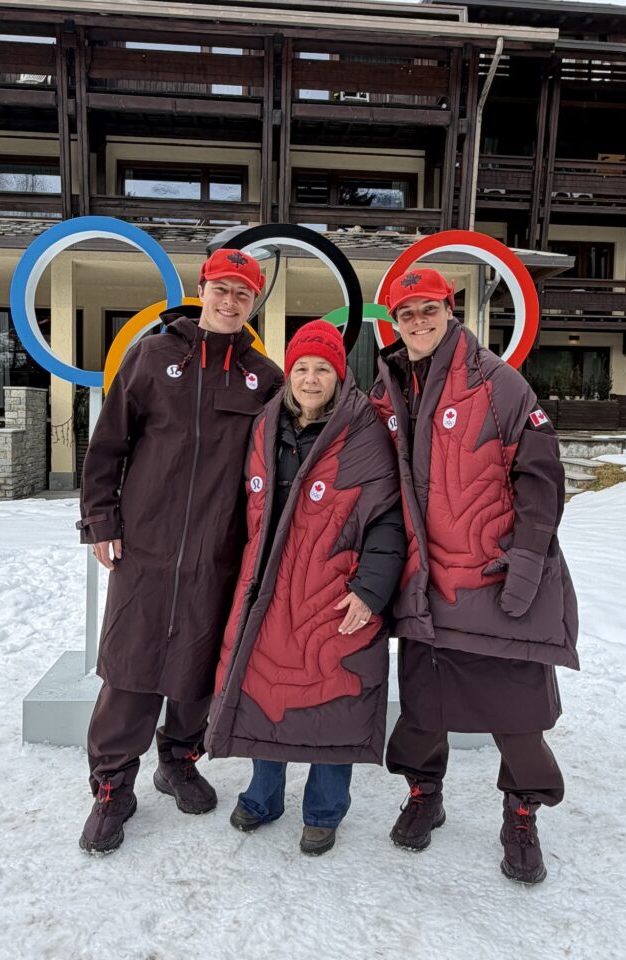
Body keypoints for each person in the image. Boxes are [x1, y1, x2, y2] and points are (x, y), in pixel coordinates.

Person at [369, 267, 579, 884]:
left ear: (450, 309)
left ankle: (521, 812)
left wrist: (528, 562)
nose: (417, 321)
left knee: (516, 715)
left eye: (427, 309)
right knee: (423, 709)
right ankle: (424, 794)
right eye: (406, 313)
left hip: (491, 576)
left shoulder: (499, 383)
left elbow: (542, 478)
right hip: (425, 582)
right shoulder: (388, 387)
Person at [76, 247, 283, 854]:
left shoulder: (263, 377)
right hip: (146, 544)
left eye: (243, 294)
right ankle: (113, 787)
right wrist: (100, 519)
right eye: (223, 289)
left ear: (253, 305)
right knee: (130, 667)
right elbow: (109, 443)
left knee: (198, 666)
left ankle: (179, 760)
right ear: (204, 288)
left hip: (220, 551)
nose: (230, 301)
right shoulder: (153, 354)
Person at [206, 320, 406, 856]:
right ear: (289, 373)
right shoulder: (266, 425)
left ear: (339, 375)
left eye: (322, 368)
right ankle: (264, 795)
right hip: (267, 589)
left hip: (335, 591)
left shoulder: (364, 432)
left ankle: (323, 810)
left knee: (332, 698)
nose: (311, 379)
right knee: (267, 690)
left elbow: (386, 520)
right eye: (301, 368)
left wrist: (371, 589)